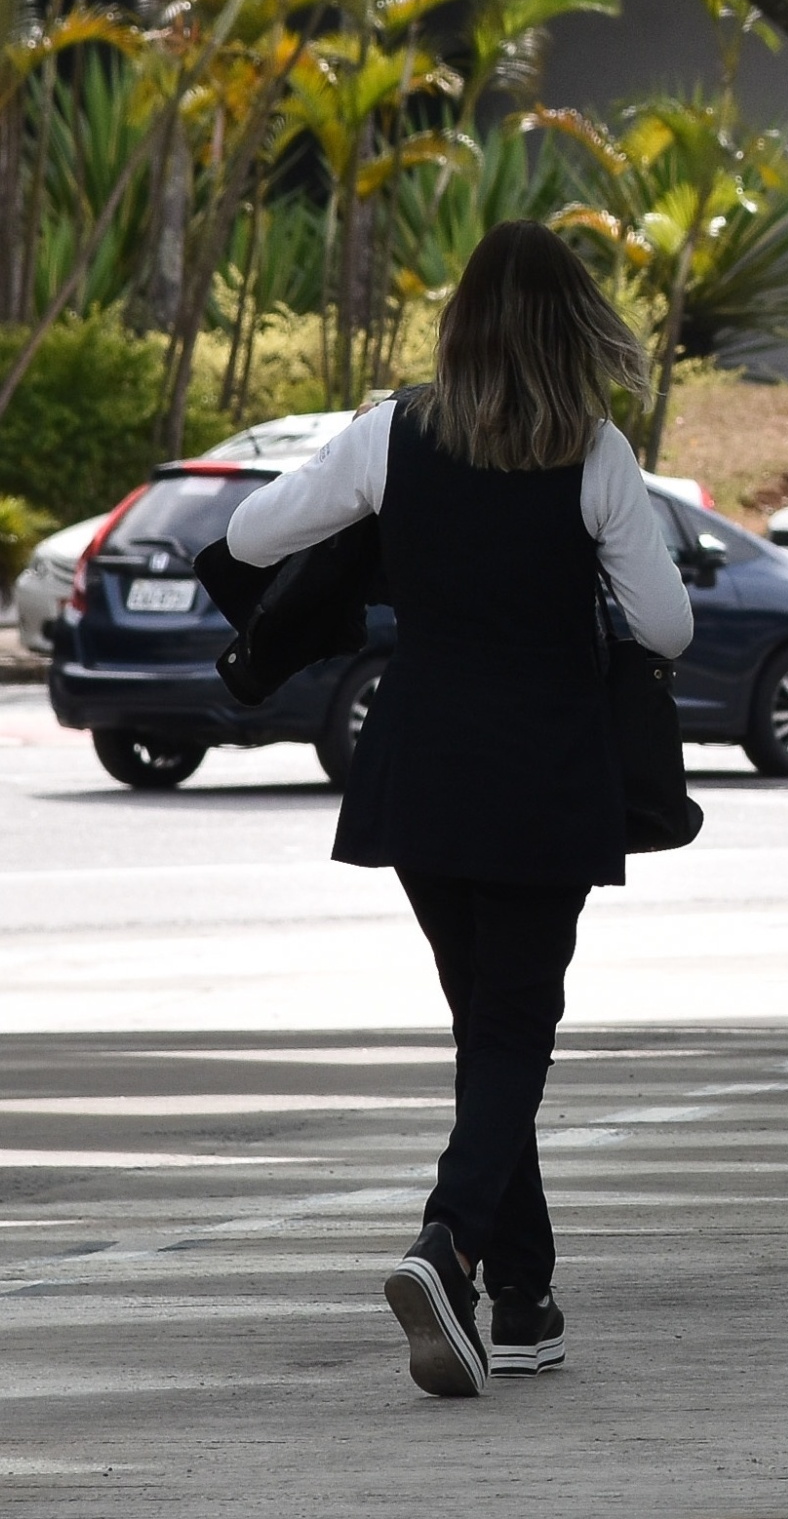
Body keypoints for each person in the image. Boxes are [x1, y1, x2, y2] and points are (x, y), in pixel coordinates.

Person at [222, 221, 693, 1399]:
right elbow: (668, 627)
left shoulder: (394, 433)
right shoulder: (597, 456)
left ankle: (522, 1298)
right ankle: (447, 1242)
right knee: (513, 1030)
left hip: (421, 768)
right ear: (571, 327)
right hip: (545, 778)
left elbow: (248, 535)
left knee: (487, 1025)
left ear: (462, 323)